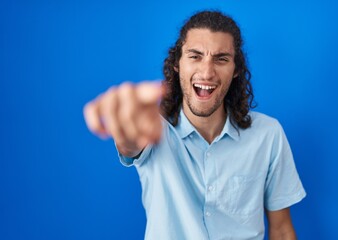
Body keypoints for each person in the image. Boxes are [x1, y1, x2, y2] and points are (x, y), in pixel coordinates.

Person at [83, 10, 306, 240]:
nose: (207, 72)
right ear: (177, 63)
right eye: (195, 56)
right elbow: (130, 144)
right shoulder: (154, 128)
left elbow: (281, 230)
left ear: (236, 69)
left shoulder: (268, 134)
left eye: (221, 59)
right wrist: (123, 123)